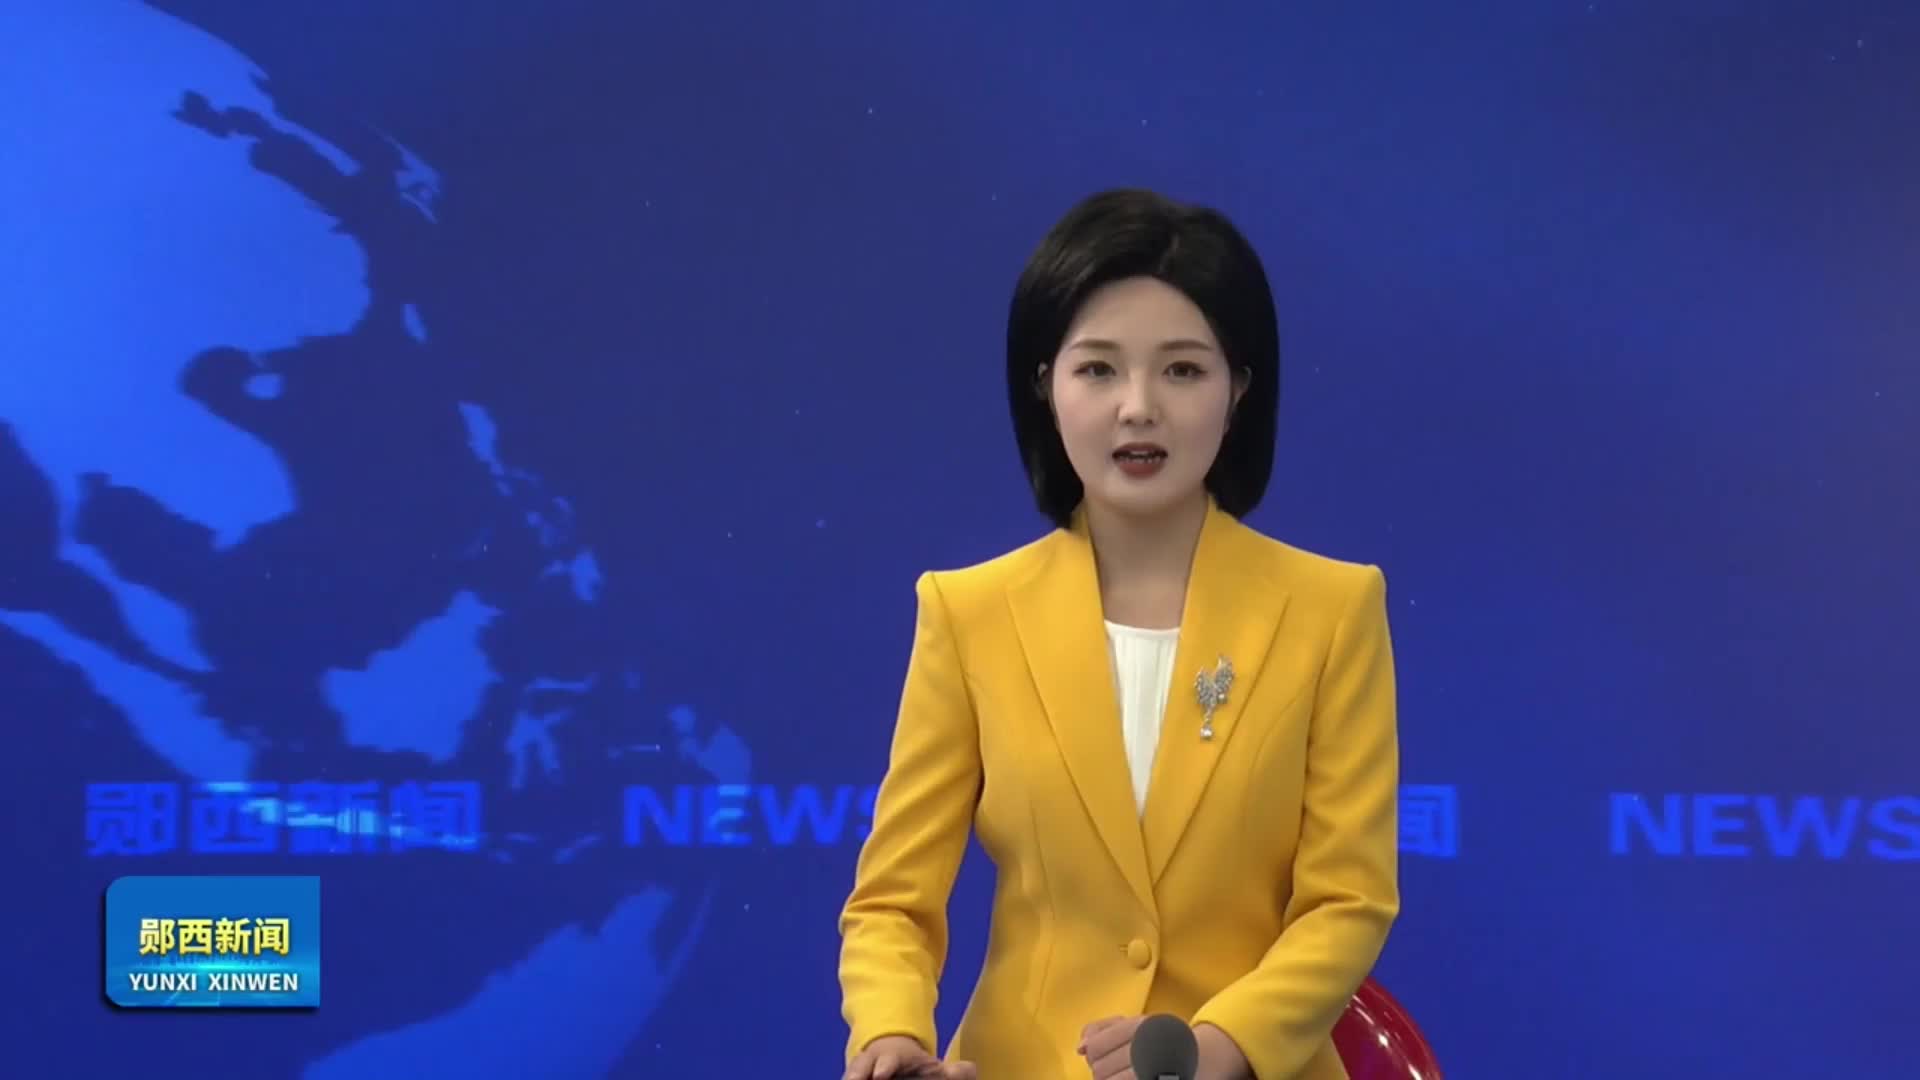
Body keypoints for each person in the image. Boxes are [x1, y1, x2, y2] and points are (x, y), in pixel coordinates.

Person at [839, 189, 1400, 1080]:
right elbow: (893, 905)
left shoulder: (1333, 609)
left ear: (1239, 388)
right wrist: (890, 1035)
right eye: (1098, 370)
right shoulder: (968, 612)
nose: (1138, 408)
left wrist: (1218, 1047)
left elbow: (1349, 899)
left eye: (1182, 371)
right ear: (1044, 385)